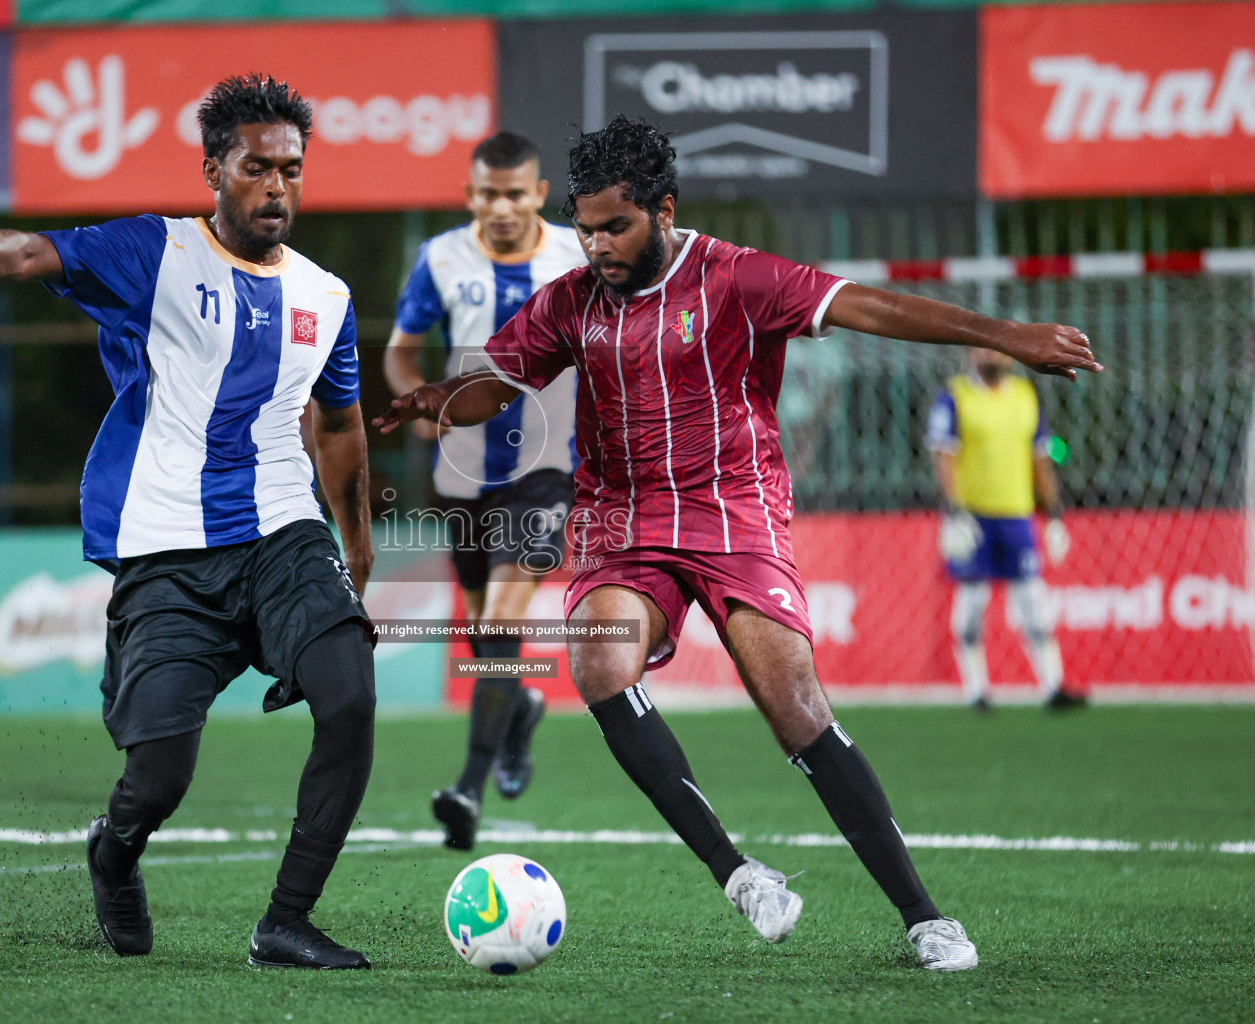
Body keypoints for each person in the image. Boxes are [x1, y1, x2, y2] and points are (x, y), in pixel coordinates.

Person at [375, 116, 1101, 971]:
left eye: (617, 226)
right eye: (586, 228)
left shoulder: (736, 277)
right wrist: (435, 400)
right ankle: (739, 873)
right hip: (625, 524)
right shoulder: (569, 302)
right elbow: (492, 386)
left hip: (735, 513)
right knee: (599, 662)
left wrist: (1004, 336)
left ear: (664, 209)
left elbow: (870, 305)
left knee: (795, 708)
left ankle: (923, 916)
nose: (598, 245)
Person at [0, 75, 378, 969]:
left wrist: (357, 544)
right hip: (168, 551)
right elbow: (34, 253)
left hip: (285, 535)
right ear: (213, 171)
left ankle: (286, 920)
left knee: (349, 698)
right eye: (256, 168)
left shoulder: (326, 298)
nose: (276, 187)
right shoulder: (155, 252)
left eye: (291, 170)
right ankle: (115, 850)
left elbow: (337, 426)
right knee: (160, 777)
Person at [384, 130, 585, 849]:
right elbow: (401, 351)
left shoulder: (575, 255)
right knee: (482, 630)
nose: (501, 207)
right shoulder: (439, 257)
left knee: (502, 617)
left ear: (538, 194)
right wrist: (417, 400)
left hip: (546, 468)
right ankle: (520, 708)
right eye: (487, 194)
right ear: (471, 196)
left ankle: (468, 788)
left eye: (515, 193)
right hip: (463, 471)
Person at [928, 350, 1083, 712]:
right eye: (986, 346)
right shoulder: (955, 396)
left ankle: (1053, 686)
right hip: (974, 515)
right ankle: (977, 690)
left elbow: (1040, 457)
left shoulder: (1025, 396)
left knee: (1032, 602)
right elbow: (944, 456)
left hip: (1016, 514)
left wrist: (1055, 513)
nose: (994, 353)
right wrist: (953, 512)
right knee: (972, 602)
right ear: (971, 352)